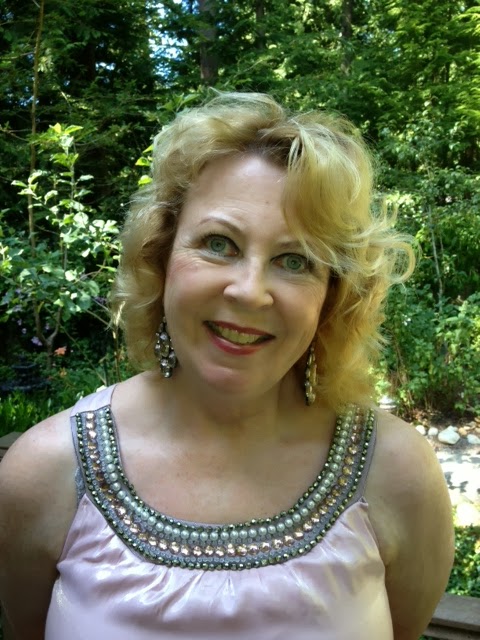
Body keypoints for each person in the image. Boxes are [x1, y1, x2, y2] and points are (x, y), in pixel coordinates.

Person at [0, 92, 454, 640]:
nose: (249, 291)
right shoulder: (44, 473)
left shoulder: (398, 473)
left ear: (332, 297)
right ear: (160, 256)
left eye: (295, 260)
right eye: (219, 244)